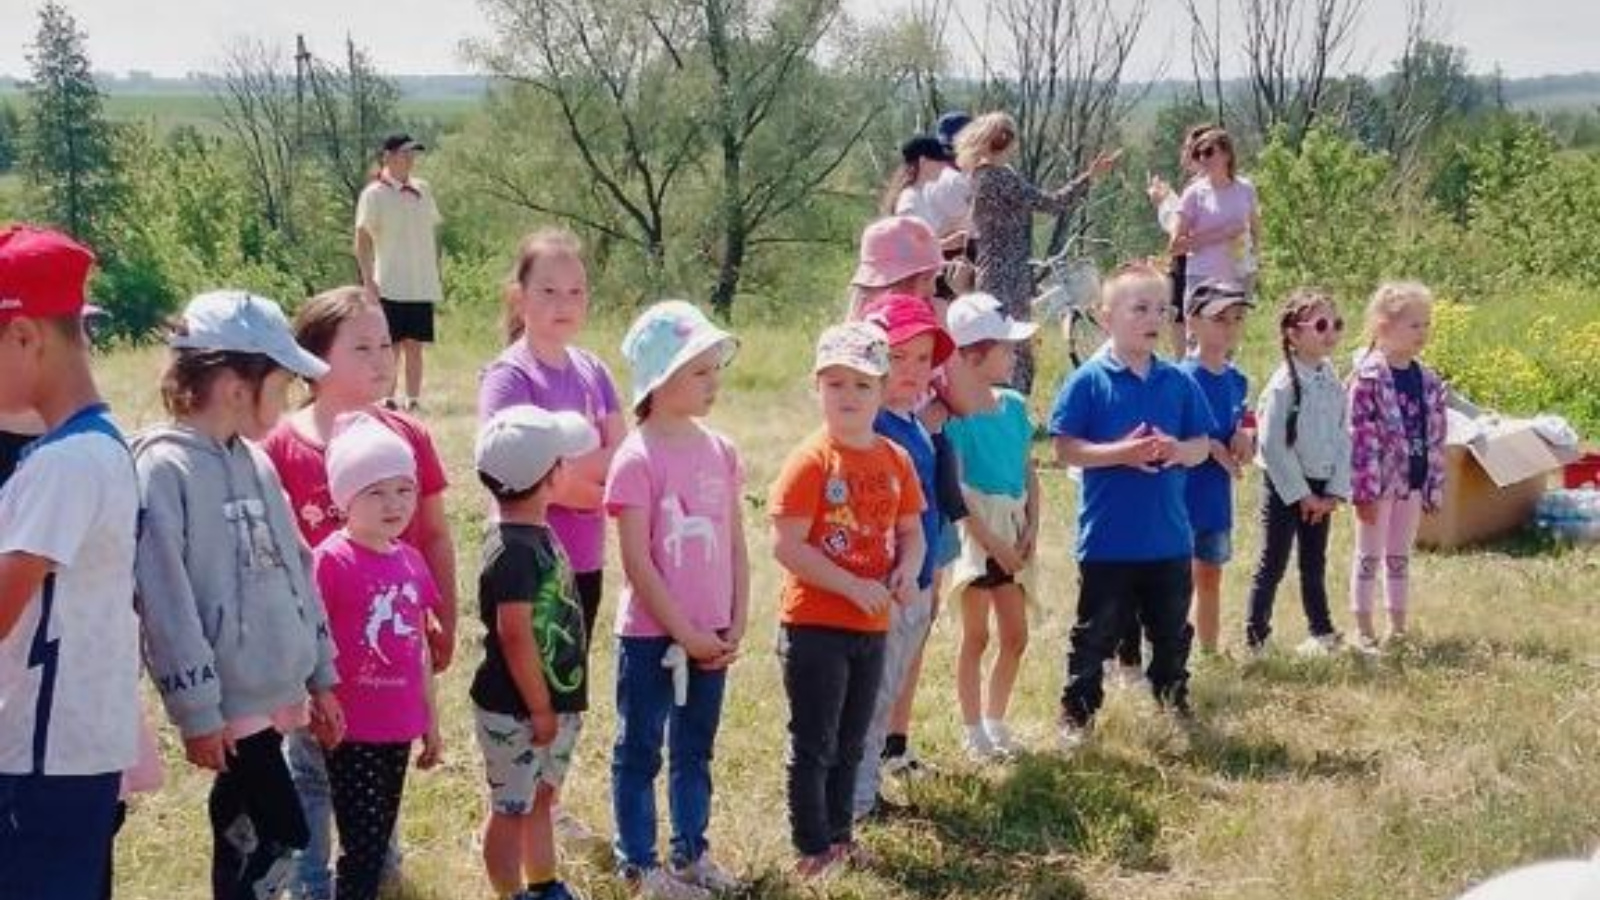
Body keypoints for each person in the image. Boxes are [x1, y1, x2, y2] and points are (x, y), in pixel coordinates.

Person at [133, 290, 345, 900]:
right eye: (281, 386)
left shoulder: (256, 462)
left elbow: (297, 568)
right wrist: (198, 711)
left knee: (247, 830)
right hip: (228, 701)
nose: (287, 403)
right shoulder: (163, 471)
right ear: (234, 385)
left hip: (273, 685)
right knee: (283, 831)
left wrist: (321, 675)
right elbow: (165, 601)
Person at [262, 287, 456, 900]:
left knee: (377, 775)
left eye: (385, 345)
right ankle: (309, 880)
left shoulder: (408, 437)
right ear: (313, 359)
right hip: (311, 655)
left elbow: (436, 534)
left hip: (385, 655)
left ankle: (374, 867)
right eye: (362, 348)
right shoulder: (279, 446)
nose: (382, 360)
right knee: (311, 772)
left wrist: (441, 617)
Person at [0, 226, 141, 900]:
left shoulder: (66, 465)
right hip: (66, 751)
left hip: (40, 758)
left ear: (25, 335)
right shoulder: (96, 448)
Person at [479, 228, 626, 838]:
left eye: (575, 290)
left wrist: (581, 481)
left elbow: (622, 454)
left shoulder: (593, 371)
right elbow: (510, 468)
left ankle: (549, 797)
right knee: (524, 682)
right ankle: (509, 803)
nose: (563, 302)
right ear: (520, 296)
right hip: (527, 561)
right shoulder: (510, 378)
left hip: (582, 558)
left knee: (567, 676)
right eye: (548, 290)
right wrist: (588, 484)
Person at [769, 322, 925, 877]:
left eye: (862, 385)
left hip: (873, 624)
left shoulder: (895, 459)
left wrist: (906, 570)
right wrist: (852, 585)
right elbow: (786, 545)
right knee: (815, 741)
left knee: (854, 740)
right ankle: (811, 848)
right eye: (835, 384)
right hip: (815, 625)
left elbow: (912, 532)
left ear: (883, 391)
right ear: (817, 389)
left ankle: (839, 835)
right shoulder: (812, 460)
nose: (849, 396)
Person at [605, 301, 748, 899]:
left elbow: (737, 541)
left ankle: (691, 852)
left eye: (716, 369)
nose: (713, 382)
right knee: (640, 749)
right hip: (650, 635)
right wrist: (682, 632)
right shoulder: (636, 457)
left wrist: (736, 618)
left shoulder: (720, 450)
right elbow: (638, 561)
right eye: (699, 371)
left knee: (695, 748)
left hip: (711, 631)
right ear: (660, 379)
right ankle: (639, 864)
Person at [1049, 263, 1210, 748]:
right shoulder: (1090, 382)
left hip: (1168, 538)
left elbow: (1202, 443)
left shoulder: (1178, 382)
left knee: (1171, 629)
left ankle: (1172, 697)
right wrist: (1123, 453)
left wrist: (1175, 450)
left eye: (1161, 308)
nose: (1152, 318)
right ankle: (1077, 712)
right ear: (1106, 318)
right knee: (1096, 633)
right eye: (1139, 308)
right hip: (1108, 541)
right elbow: (1065, 449)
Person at [311, 413, 443, 900]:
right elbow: (311, 635)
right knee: (362, 849)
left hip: (399, 724)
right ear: (345, 497)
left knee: (377, 836)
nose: (394, 504)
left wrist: (431, 718)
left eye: (404, 489)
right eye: (376, 491)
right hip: (353, 729)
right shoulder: (330, 559)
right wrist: (320, 694)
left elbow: (419, 647)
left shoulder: (410, 560)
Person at [471, 406, 600, 900]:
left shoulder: (533, 531)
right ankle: (511, 892)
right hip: (518, 706)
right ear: (553, 476)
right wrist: (541, 706)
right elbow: (515, 634)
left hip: (551, 703)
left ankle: (544, 885)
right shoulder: (513, 550)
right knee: (510, 806)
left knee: (541, 797)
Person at [850, 295, 954, 820]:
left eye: (922, 358)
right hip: (888, 584)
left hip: (917, 580)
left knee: (884, 693)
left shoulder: (911, 423)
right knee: (867, 701)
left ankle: (865, 795)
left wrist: (930, 568)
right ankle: (855, 803)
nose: (913, 371)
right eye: (898, 358)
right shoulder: (873, 431)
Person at [941, 293, 1041, 761]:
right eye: (1004, 347)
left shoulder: (1016, 407)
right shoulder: (957, 419)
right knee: (976, 636)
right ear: (972, 355)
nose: (1012, 355)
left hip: (1014, 527)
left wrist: (1031, 528)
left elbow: (1028, 471)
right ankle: (972, 726)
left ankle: (997, 720)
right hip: (980, 536)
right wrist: (993, 543)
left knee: (1015, 636)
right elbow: (959, 494)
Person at [957, 111, 1121, 394]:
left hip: (993, 272)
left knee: (999, 343)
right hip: (1008, 274)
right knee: (1013, 348)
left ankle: (999, 405)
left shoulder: (979, 176)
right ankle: (1012, 406)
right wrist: (1089, 177)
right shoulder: (1000, 179)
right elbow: (1053, 203)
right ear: (1008, 142)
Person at [1244, 288, 1353, 656]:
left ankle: (1321, 631)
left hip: (1321, 486)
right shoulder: (1284, 385)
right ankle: (1256, 636)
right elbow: (1273, 445)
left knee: (1313, 562)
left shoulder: (1331, 379)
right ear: (1293, 334)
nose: (1331, 333)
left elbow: (1342, 435)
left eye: (1336, 324)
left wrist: (1334, 493)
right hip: (1287, 486)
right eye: (1321, 325)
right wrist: (1302, 494)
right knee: (1273, 561)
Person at [1348, 282, 1448, 653]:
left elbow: (1436, 434)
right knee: (1369, 554)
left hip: (1413, 480)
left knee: (1399, 554)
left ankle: (1398, 625)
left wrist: (1434, 483)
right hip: (1378, 485)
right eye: (1414, 325)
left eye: (1426, 324)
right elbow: (1358, 438)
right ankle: (1363, 627)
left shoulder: (1428, 380)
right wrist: (1363, 490)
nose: (1423, 333)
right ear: (1384, 326)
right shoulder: (1368, 378)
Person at [1177, 282, 1256, 655]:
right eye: (1219, 319)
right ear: (1192, 322)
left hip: (1215, 498)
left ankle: (1207, 649)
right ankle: (1167, 648)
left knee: (1210, 575)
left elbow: (1244, 422)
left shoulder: (1237, 379)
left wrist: (1243, 436)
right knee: (1176, 579)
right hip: (1180, 496)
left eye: (1236, 319)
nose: (1228, 327)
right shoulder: (1179, 378)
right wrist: (1209, 447)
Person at [355, 133, 444, 411]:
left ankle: (414, 399)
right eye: (404, 154)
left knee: (415, 345)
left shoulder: (423, 189)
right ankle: (387, 399)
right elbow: (362, 238)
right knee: (389, 345)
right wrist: (368, 280)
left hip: (419, 282)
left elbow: (432, 229)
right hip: (390, 282)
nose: (410, 159)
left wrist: (436, 267)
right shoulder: (374, 194)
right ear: (388, 157)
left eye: (412, 154)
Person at [1146, 122, 1219, 356]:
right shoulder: (1220, 185)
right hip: (1204, 269)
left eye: (1189, 147)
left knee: (1188, 342)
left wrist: (1162, 203)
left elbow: (1181, 229)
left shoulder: (1201, 187)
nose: (1185, 153)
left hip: (1192, 270)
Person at [1168, 127, 1260, 303]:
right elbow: (1175, 246)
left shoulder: (1246, 188)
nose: (1203, 158)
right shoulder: (1193, 194)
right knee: (1201, 330)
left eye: (1209, 152)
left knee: (1235, 330)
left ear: (1226, 154)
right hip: (1203, 278)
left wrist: (1253, 257)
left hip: (1239, 275)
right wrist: (1221, 234)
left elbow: (1255, 227)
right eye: (1198, 154)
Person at [881, 135, 969, 255]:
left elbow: (924, 238)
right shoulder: (909, 200)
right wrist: (946, 243)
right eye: (939, 160)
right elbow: (907, 250)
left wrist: (955, 226)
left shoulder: (918, 194)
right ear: (923, 162)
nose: (944, 165)